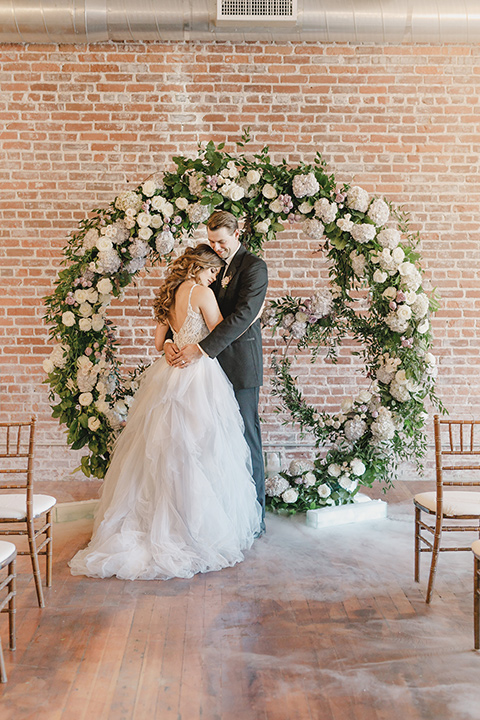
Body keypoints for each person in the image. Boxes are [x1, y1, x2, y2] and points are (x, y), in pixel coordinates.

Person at [69, 244, 262, 581]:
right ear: (200, 267)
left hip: (167, 373)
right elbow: (220, 329)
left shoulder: (170, 293)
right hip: (198, 374)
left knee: (164, 449)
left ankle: (160, 520)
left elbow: (160, 343)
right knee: (200, 448)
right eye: (212, 270)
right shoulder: (202, 293)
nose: (215, 276)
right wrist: (253, 316)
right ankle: (192, 527)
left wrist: (173, 344)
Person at [164, 211, 269, 535]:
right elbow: (188, 313)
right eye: (211, 242)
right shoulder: (211, 263)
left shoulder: (254, 267)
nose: (216, 248)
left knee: (245, 438)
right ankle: (220, 516)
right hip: (205, 373)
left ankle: (255, 519)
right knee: (211, 442)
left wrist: (201, 349)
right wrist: (172, 341)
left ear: (237, 234)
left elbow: (241, 317)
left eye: (221, 241)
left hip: (238, 366)